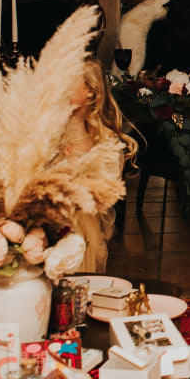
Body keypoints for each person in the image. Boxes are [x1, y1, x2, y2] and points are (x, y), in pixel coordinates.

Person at [59, 59, 138, 272]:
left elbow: (105, 195)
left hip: (81, 227)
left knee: (78, 226)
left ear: (91, 92)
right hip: (45, 219)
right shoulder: (48, 137)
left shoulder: (104, 142)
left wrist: (77, 169)